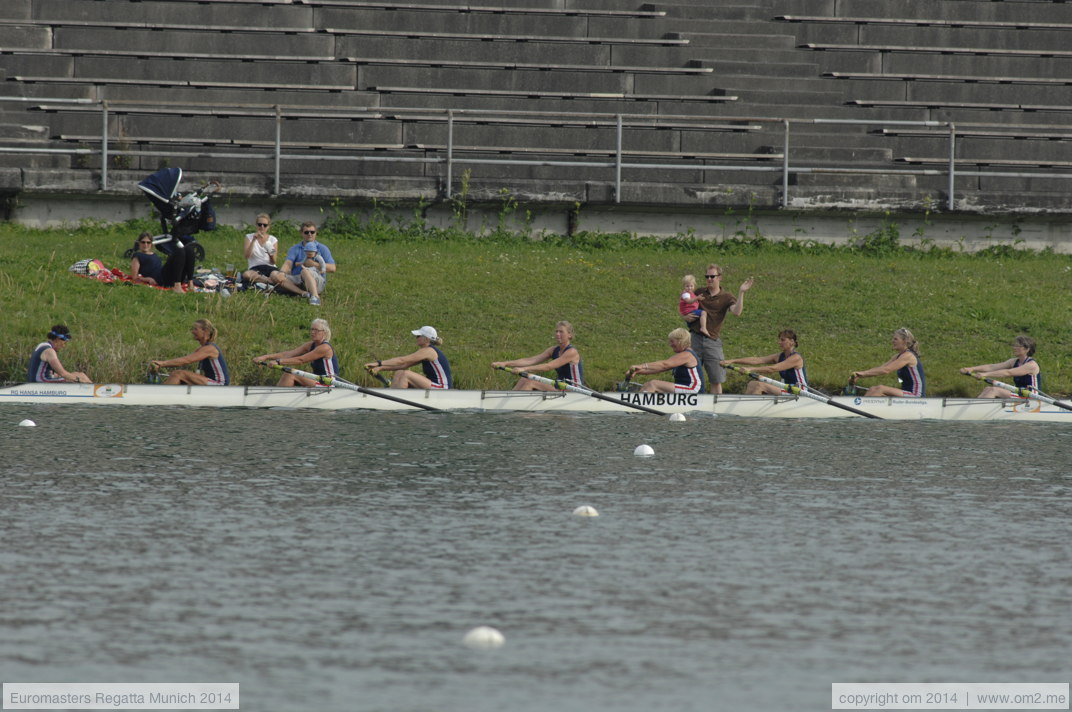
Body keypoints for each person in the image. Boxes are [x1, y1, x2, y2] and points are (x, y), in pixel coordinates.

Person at [685, 264, 754, 393]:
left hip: (712, 341)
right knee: (689, 377)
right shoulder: (699, 292)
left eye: (712, 276)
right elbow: (685, 304)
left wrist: (741, 292)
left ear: (720, 277)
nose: (709, 279)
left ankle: (714, 409)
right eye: (707, 276)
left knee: (716, 379)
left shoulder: (726, 296)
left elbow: (737, 312)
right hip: (695, 339)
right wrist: (684, 316)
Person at [491, 320, 584, 390]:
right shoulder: (553, 350)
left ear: (569, 335)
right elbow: (530, 360)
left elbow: (548, 366)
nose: (557, 334)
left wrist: (524, 369)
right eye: (556, 331)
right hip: (559, 385)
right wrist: (505, 363)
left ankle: (517, 411)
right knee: (524, 378)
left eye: (561, 332)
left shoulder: (572, 352)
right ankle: (509, 399)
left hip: (573, 389)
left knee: (531, 382)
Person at [253, 318, 339, 387]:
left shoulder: (325, 348)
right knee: (289, 375)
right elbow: (288, 354)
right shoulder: (310, 345)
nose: (313, 332)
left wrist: (278, 362)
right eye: (312, 329)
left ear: (324, 332)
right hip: (317, 380)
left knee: (290, 374)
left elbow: (301, 360)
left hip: (329, 383)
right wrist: (265, 357)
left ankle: (277, 399)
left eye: (316, 330)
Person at [722, 329, 808, 395]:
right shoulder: (779, 356)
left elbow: (772, 369)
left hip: (799, 391)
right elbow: (757, 360)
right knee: (752, 384)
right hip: (787, 388)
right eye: (779, 340)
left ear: (792, 342)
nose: (779, 342)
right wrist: (732, 361)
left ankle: (750, 412)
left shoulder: (796, 358)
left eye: (782, 340)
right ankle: (745, 407)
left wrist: (750, 369)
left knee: (760, 385)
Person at [365, 326, 452, 389]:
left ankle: (393, 399)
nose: (416, 338)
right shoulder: (425, 351)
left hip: (442, 387)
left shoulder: (428, 351)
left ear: (427, 339)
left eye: (418, 336)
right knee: (400, 372)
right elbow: (404, 365)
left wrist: (378, 363)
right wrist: (380, 368)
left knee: (405, 374)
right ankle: (393, 395)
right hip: (433, 385)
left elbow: (402, 360)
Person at [150, 319, 230, 386]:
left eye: (195, 329)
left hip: (220, 385)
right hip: (211, 383)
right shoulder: (201, 349)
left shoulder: (210, 349)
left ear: (205, 331)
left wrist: (162, 363)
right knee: (177, 376)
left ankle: (161, 397)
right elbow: (183, 361)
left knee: (179, 374)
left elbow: (186, 360)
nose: (192, 331)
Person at [626, 327, 705, 393]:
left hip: (694, 390)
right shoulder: (680, 356)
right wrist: (637, 371)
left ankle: (638, 408)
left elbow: (664, 365)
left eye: (672, 341)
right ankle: (637, 406)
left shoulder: (687, 355)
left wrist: (642, 365)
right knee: (647, 384)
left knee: (653, 384)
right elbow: (659, 368)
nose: (670, 344)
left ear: (681, 341)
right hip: (685, 389)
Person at [851, 327, 925, 397]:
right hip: (906, 393)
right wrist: (860, 375)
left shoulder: (908, 356)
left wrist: (863, 373)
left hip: (916, 396)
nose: (892, 341)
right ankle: (859, 407)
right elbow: (882, 368)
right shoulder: (898, 356)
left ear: (905, 341)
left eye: (895, 339)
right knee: (873, 389)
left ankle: (859, 408)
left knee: (880, 389)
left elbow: (886, 370)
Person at [959, 335, 1041, 398]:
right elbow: (992, 367)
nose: (1014, 348)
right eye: (1014, 345)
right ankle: (973, 408)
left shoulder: (1031, 365)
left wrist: (985, 374)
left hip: (1030, 397)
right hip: (1019, 393)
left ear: (1027, 349)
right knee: (988, 389)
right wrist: (972, 369)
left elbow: (1008, 373)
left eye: (1017, 346)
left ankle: (977, 412)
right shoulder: (1013, 361)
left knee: (994, 390)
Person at [278, 222, 336, 305]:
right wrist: (282, 273)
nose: (310, 234)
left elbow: (333, 268)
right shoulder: (295, 248)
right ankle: (303, 293)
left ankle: (315, 297)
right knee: (275, 275)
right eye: (306, 232)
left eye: (312, 232)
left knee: (305, 271)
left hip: (317, 281)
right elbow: (288, 264)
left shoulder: (322, 248)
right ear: (301, 233)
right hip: (298, 280)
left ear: (316, 233)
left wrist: (313, 264)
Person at [27, 325, 91, 383]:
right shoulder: (50, 351)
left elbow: (47, 371)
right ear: (57, 340)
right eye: (64, 343)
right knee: (81, 377)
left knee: (80, 374)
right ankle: (95, 392)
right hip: (41, 381)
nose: (64, 346)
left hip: (36, 380)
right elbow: (63, 373)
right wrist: (79, 380)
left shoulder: (41, 345)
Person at [241, 213, 282, 289]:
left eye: (265, 225)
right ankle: (269, 281)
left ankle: (266, 281)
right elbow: (247, 256)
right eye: (260, 224)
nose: (262, 227)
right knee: (246, 275)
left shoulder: (273, 239)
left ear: (268, 227)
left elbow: (273, 261)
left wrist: (269, 249)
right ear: (256, 225)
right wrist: (253, 240)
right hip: (255, 267)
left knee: (277, 276)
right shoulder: (249, 237)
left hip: (269, 267)